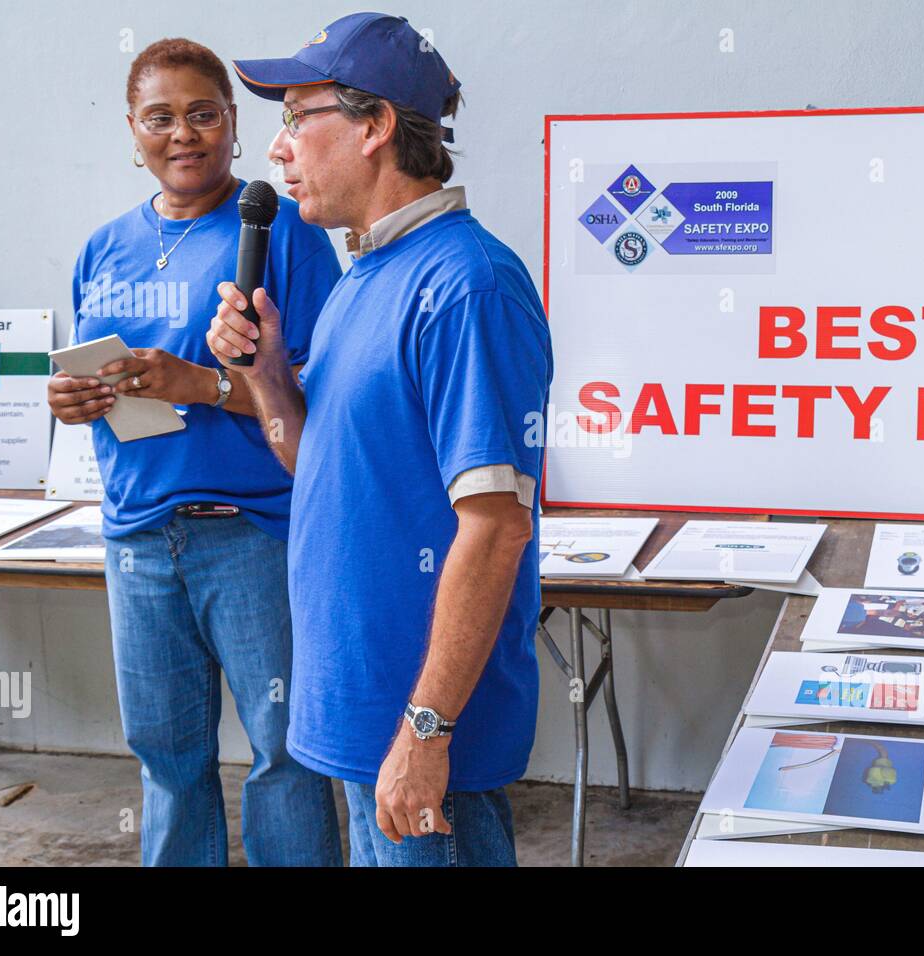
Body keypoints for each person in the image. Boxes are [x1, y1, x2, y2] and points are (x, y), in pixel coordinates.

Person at [210, 12, 553, 867]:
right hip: (363, 720)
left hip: (422, 741)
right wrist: (264, 370)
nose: (276, 150)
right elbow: (313, 461)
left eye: (296, 117)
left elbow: (497, 525)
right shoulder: (365, 275)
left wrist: (427, 731)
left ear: (375, 126)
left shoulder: (468, 286)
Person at [48, 37, 343, 866]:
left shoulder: (284, 234)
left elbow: (326, 401)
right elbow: (98, 381)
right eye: (161, 118)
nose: (184, 134)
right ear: (133, 132)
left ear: (233, 124)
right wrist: (71, 400)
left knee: (285, 755)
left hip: (251, 533)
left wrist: (200, 384)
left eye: (203, 114)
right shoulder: (102, 249)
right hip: (138, 537)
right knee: (167, 761)